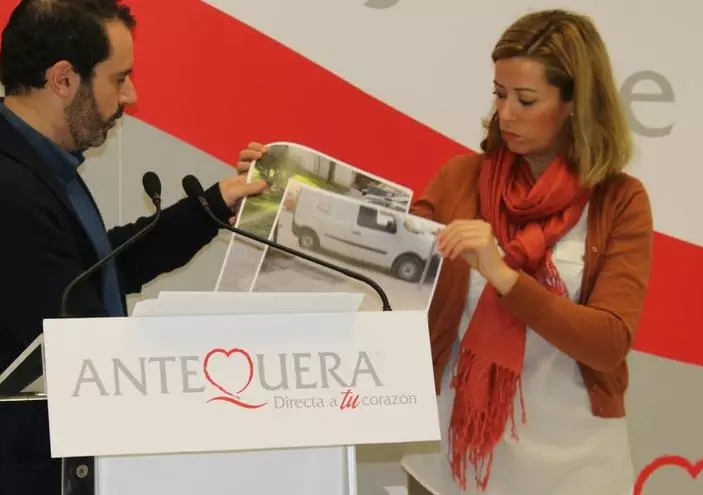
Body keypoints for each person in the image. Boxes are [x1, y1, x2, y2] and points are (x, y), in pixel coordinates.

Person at [239, 7, 653, 495]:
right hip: (446, 463)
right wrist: (277, 190)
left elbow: (608, 343)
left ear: (575, 104)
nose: (506, 113)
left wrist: (505, 277)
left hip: (574, 470)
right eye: (499, 94)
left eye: (526, 99)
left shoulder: (620, 200)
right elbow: (375, 263)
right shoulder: (460, 179)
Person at [0, 1, 266, 494]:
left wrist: (214, 205)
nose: (131, 95)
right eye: (119, 78)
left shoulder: (36, 167)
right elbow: (81, 335)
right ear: (64, 79)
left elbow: (97, 270)